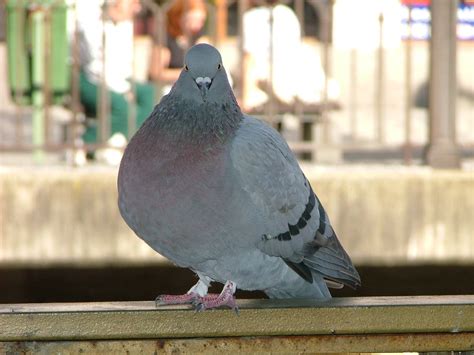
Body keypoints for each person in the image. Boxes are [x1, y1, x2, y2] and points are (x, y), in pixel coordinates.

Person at [76, 0, 155, 160]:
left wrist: (126, 86)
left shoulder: (125, 25)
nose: (137, 7)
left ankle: (135, 142)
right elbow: (96, 65)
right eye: (133, 2)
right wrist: (123, 89)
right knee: (122, 107)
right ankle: (84, 143)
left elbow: (123, 64)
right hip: (91, 78)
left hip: (119, 79)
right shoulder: (92, 22)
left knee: (151, 94)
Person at [242, 0, 340, 111]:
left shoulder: (251, 18)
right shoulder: (286, 13)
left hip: (272, 74)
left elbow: (249, 59)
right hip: (289, 73)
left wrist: (246, 97)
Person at [149, 0, 207, 91]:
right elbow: (156, 73)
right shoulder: (165, 38)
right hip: (167, 89)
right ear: (179, 17)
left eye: (202, 21)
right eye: (193, 20)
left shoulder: (196, 36)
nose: (198, 25)